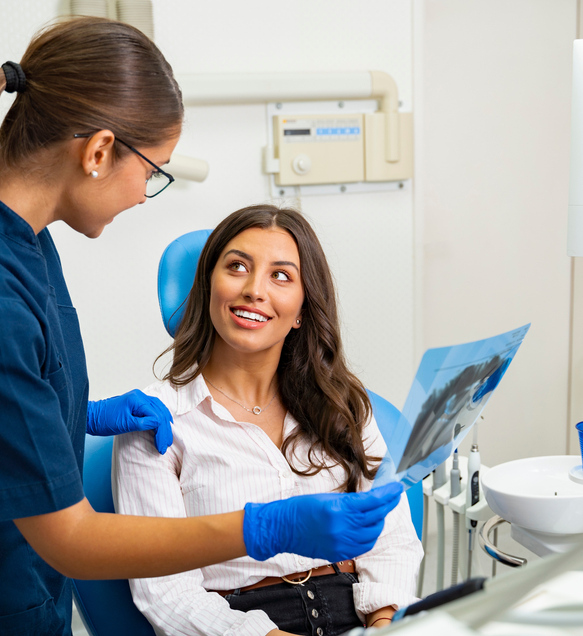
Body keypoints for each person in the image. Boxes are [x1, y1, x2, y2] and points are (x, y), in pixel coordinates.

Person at [0, 17, 403, 636]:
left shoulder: (15, 239)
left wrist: (76, 413)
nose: (143, 194)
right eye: (154, 171)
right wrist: (268, 526)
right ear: (99, 151)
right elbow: (73, 542)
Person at [113, 205, 423, 636]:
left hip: (359, 614)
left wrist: (384, 624)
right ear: (208, 287)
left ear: (301, 310)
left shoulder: (344, 404)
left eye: (281, 275)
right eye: (237, 267)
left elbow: (392, 538)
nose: (254, 290)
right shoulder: (153, 420)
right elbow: (165, 592)